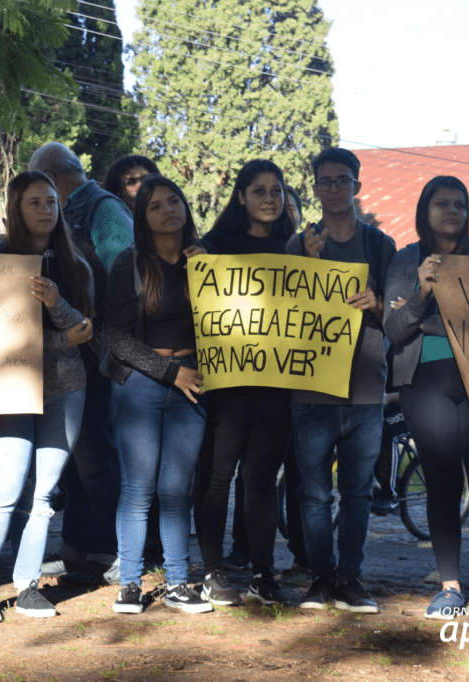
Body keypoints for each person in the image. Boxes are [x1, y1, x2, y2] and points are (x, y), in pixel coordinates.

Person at [0, 170, 95, 623]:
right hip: (5, 392)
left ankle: (28, 585)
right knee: (0, 490)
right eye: (34, 202)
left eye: (52, 201)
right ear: (16, 209)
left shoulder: (76, 266)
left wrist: (55, 302)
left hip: (64, 391)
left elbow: (84, 330)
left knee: (42, 495)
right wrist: (61, 338)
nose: (45, 210)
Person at [383, 175, 469, 623]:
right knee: (442, 482)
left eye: (459, 203)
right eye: (441, 203)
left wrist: (429, 323)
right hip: (426, 382)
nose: (452, 211)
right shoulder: (406, 259)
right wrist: (423, 295)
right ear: (425, 210)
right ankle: (449, 588)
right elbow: (394, 328)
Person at [290, 148, 395, 614]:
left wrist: (377, 305)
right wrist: (306, 260)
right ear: (314, 188)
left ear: (358, 186)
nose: (334, 189)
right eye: (325, 181)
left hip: (365, 388)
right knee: (314, 493)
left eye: (343, 180)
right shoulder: (298, 244)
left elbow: (399, 317)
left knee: (356, 492)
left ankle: (351, 578)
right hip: (311, 388)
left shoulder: (381, 246)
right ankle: (320, 578)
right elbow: (283, 312)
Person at [193, 159, 295, 606]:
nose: (270, 199)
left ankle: (261, 572)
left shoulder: (296, 249)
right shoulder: (214, 246)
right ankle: (214, 571)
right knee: (217, 477)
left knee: (261, 479)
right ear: (240, 197)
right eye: (259, 191)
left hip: (276, 381)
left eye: (277, 191)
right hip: (227, 379)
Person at [107, 175, 210, 615]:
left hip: (197, 382)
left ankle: (178, 583)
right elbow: (115, 338)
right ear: (143, 217)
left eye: (175, 201)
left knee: (176, 490)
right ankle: (129, 584)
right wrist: (171, 373)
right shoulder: (130, 263)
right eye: (156, 206)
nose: (169, 210)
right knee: (138, 489)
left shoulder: (206, 261)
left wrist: (210, 274)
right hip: (142, 385)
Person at [29, 142, 131, 586]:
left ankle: (108, 550)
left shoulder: (104, 211)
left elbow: (127, 279)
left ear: (53, 179)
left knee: (96, 455)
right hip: (65, 350)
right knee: (70, 456)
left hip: (97, 351)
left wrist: (112, 344)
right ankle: (75, 550)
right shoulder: (67, 213)